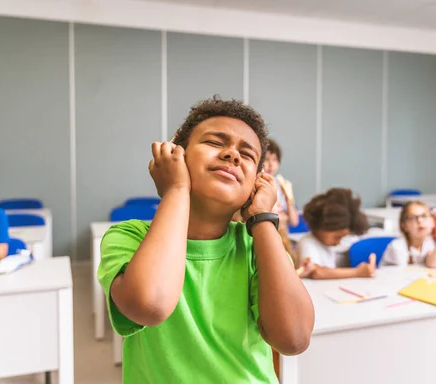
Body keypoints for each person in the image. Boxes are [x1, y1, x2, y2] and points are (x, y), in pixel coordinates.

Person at [98, 96, 314, 383]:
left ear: (257, 182)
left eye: (247, 155)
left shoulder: (257, 248)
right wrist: (176, 189)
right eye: (215, 142)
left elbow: (294, 339)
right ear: (177, 153)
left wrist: (262, 217)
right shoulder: (129, 237)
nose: (233, 155)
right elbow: (149, 305)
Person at [296, 188, 375, 279]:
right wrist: (358, 272)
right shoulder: (307, 243)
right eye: (337, 237)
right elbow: (317, 272)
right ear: (321, 227)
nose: (338, 242)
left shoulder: (328, 244)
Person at [381, 201, 436, 268]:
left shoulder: (428, 241)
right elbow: (401, 275)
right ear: (404, 226)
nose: (420, 221)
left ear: (432, 222)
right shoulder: (397, 247)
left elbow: (433, 264)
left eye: (424, 216)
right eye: (413, 218)